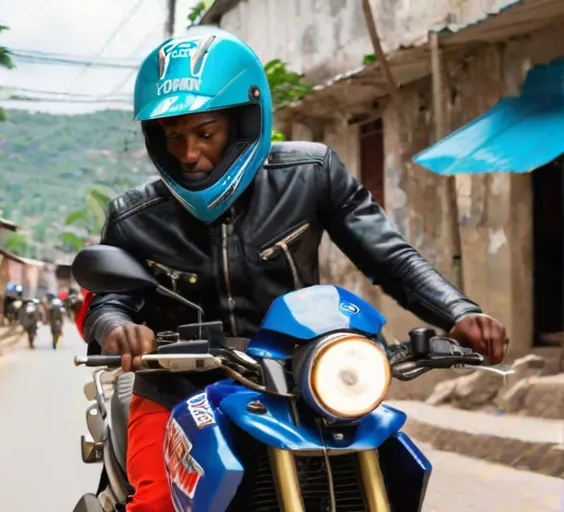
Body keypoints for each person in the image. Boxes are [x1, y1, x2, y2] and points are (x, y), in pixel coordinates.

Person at [81, 28, 510, 512]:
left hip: (301, 383)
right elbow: (108, 300)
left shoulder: (311, 174)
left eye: (205, 133)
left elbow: (388, 256)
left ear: (244, 121)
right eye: (173, 136)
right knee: (159, 500)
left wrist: (456, 312)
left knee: (390, 471)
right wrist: (118, 327)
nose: (188, 154)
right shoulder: (135, 215)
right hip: (178, 387)